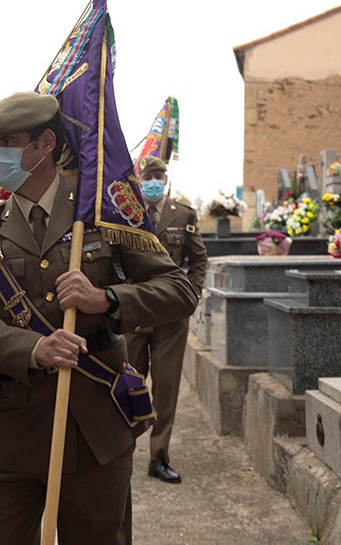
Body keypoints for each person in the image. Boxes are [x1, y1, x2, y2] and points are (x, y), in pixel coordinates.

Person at [0, 92, 198, 544]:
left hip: (94, 425)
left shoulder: (102, 211)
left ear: (45, 143)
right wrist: (33, 348)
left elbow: (179, 290)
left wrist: (108, 299)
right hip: (11, 428)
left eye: (8, 141)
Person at [125, 155, 209, 484]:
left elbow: (198, 258)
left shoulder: (183, 214)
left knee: (166, 387)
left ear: (165, 178)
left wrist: (193, 292)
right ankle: (124, 449)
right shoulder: (125, 214)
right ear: (139, 180)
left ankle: (159, 456)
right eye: (148, 176)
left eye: (158, 175)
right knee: (130, 382)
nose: (153, 181)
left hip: (171, 315)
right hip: (133, 312)